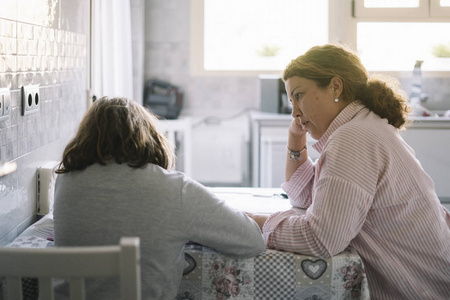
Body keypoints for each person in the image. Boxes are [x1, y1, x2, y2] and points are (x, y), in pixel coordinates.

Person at [247, 44, 450, 299]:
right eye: (291, 101)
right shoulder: (362, 125)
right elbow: (305, 197)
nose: (294, 112)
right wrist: (295, 136)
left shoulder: (353, 137)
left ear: (335, 87)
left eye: (299, 95)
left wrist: (257, 222)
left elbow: (321, 239)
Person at [53, 97, 265, 299]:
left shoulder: (65, 183)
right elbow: (252, 241)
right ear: (146, 136)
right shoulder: (175, 189)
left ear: (86, 136)